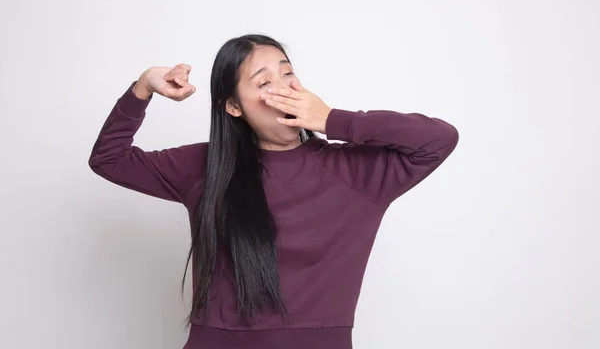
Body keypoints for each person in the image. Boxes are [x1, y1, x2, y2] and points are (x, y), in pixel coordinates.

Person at [88, 34, 459, 349]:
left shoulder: (356, 173)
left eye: (288, 74)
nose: (282, 89)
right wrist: (143, 86)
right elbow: (109, 159)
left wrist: (332, 120)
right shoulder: (206, 168)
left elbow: (439, 139)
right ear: (233, 106)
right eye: (264, 83)